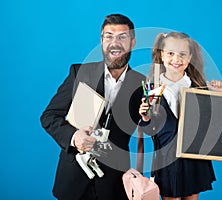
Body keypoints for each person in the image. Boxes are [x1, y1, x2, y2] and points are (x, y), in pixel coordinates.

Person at [40, 14, 145, 200]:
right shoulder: (79, 73)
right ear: (101, 41)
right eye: (109, 36)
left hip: (114, 184)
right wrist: (74, 136)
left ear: (133, 42)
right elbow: (49, 117)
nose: (115, 42)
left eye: (122, 37)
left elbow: (154, 125)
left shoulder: (142, 84)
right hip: (73, 180)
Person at [138, 32, 222, 200]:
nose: (176, 59)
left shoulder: (198, 87)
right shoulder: (152, 89)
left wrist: (218, 96)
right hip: (166, 158)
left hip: (193, 157)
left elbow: (211, 123)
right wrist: (146, 118)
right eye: (170, 53)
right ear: (161, 55)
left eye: (182, 54)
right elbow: (151, 131)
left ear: (189, 57)